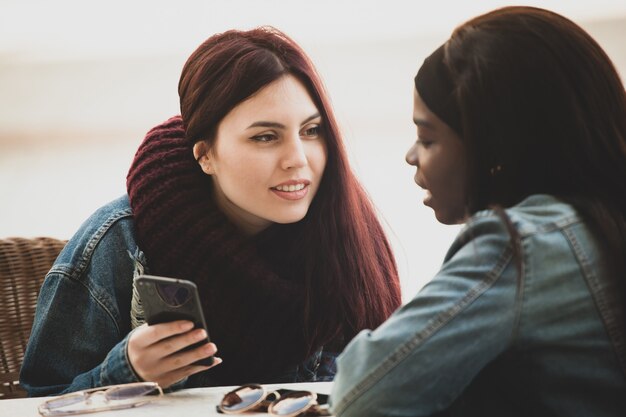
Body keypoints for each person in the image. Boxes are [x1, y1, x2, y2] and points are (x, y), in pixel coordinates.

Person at [20, 26, 402, 397]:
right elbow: (42, 399)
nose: (297, 160)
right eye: (265, 137)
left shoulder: (348, 234)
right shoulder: (118, 244)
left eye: (311, 130)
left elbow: (392, 382)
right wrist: (127, 370)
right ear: (205, 155)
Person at [330, 6, 626, 416]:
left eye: (427, 138)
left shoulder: (520, 245)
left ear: (496, 147)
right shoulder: (603, 222)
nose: (411, 156)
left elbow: (362, 394)